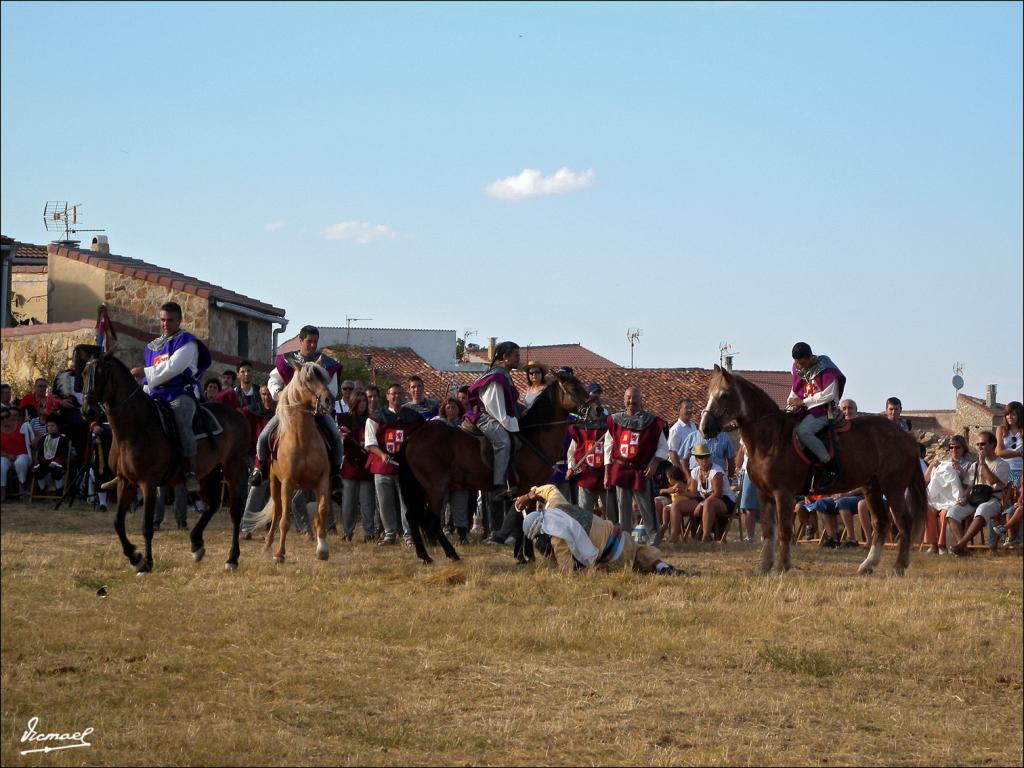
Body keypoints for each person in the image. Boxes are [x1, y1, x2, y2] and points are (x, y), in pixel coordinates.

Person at [249, 325, 344, 494]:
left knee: (336, 437)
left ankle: (335, 474)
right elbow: (273, 380)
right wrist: (278, 393)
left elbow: (333, 388)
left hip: (318, 412)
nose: (312, 345)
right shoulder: (287, 360)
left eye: (315, 342)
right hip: (290, 411)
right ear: (300, 341)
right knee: (264, 436)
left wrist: (323, 402)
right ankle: (259, 468)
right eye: (309, 341)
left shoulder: (325, 363)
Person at [130, 301, 212, 494]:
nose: (165, 324)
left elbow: (173, 368)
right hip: (155, 394)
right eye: (162, 320)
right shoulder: (152, 347)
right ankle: (128, 468)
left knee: (182, 420)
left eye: (170, 320)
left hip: (180, 392)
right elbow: (152, 379)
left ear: (179, 320)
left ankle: (190, 469)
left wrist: (144, 372)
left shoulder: (187, 342)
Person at [518, 484, 684, 574]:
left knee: (623, 566)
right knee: (638, 551)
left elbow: (568, 572)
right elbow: (550, 489)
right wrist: (529, 495)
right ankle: (662, 566)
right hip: (622, 538)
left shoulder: (557, 539)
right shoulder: (558, 504)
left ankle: (651, 568)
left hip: (611, 560)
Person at [603, 386, 668, 541]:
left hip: (641, 471)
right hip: (620, 469)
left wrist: (654, 463)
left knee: (647, 508)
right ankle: (625, 542)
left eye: (634, 398)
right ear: (624, 399)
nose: (631, 401)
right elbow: (608, 446)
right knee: (622, 510)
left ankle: (653, 541)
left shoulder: (652, 422)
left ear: (640, 399)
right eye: (628, 397)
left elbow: (663, 447)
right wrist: (607, 472)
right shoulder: (615, 421)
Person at [365, 382, 423, 546]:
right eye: (393, 393)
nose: (397, 396)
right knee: (385, 504)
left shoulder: (414, 417)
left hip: (406, 469)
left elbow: (422, 438)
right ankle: (389, 535)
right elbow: (370, 443)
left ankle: (409, 536)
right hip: (383, 468)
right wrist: (382, 455)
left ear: (404, 395)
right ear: (387, 396)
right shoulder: (376, 418)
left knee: (407, 505)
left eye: (399, 393)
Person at [466, 341, 521, 498]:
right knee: (503, 441)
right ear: (505, 357)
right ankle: (499, 484)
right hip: (487, 417)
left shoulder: (504, 375)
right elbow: (495, 407)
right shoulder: (497, 377)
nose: (518, 359)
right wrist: (513, 422)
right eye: (516, 355)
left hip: (497, 415)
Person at [788, 341, 846, 488]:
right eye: (797, 363)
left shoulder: (826, 367)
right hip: (804, 409)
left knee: (803, 431)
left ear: (810, 357)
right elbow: (795, 389)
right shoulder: (797, 367)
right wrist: (790, 402)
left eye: (802, 363)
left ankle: (831, 466)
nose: (800, 366)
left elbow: (829, 395)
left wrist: (803, 402)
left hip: (825, 410)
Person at [946, 431, 1010, 555]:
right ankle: (963, 549)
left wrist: (983, 463)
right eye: (978, 444)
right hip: (975, 499)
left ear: (993, 444)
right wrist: (964, 498)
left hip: (993, 500)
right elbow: (970, 486)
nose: (980, 447)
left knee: (983, 509)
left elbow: (991, 481)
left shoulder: (1003, 464)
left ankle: (960, 545)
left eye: (983, 444)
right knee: (952, 512)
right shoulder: (975, 465)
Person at [566, 382, 612, 514]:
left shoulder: (608, 425)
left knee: (610, 515)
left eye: (598, 395)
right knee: (584, 515)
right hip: (586, 475)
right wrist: (571, 467)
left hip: (604, 475)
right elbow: (572, 450)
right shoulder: (580, 428)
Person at [924, 435, 971, 554]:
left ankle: (942, 545)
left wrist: (961, 471)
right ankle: (933, 545)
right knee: (929, 511)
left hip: (957, 499)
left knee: (945, 513)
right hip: (940, 497)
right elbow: (926, 480)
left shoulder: (968, 465)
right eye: (951, 447)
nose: (954, 450)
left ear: (963, 449)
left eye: (957, 447)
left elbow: (970, 484)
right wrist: (931, 466)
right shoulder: (943, 463)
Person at [338, 390, 375, 542]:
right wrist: (344, 437)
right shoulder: (344, 418)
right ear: (353, 402)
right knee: (348, 502)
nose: (362, 404)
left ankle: (369, 533)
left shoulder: (371, 419)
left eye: (364, 401)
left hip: (366, 466)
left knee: (367, 502)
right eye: (359, 401)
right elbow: (342, 443)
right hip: (350, 465)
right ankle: (347, 532)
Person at [689, 442, 736, 541]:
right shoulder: (694, 471)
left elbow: (718, 493)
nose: (704, 459)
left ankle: (705, 537)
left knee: (708, 503)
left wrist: (701, 504)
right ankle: (674, 538)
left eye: (706, 456)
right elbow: (693, 493)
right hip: (707, 500)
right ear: (696, 459)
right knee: (677, 505)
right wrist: (681, 493)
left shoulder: (716, 471)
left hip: (725, 500)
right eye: (701, 457)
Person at [32, 415, 70, 493]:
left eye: (53, 426)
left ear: (58, 426)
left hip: (57, 462)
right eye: (48, 426)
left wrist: (55, 462)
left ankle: (59, 490)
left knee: (57, 471)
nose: (50, 428)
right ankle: (43, 489)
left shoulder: (62, 439)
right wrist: (41, 461)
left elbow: (62, 453)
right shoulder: (44, 438)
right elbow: (40, 452)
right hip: (44, 462)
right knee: (37, 471)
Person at [1, 406, 32, 501]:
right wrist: (7, 455)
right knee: (1, 464)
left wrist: (35, 441)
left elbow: (37, 434)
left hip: (22, 453)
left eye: (6, 416)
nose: (5, 419)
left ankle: (22, 490)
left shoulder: (22, 426)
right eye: (1, 418)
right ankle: (2, 493)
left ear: (10, 416)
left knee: (20, 462)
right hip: (5, 455)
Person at [995, 401, 1023, 491]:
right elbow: (999, 452)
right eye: (1007, 414)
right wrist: (1019, 453)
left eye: (1013, 414)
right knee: (1005, 496)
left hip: (1021, 470)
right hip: (1004, 469)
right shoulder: (1001, 429)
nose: (1009, 417)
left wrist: (1008, 453)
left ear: (1020, 415)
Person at [666, 399, 699, 472]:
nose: (689, 410)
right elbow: (672, 454)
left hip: (692, 469)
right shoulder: (675, 430)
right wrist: (683, 473)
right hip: (679, 471)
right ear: (679, 410)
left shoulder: (693, 426)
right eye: (686, 408)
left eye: (691, 407)